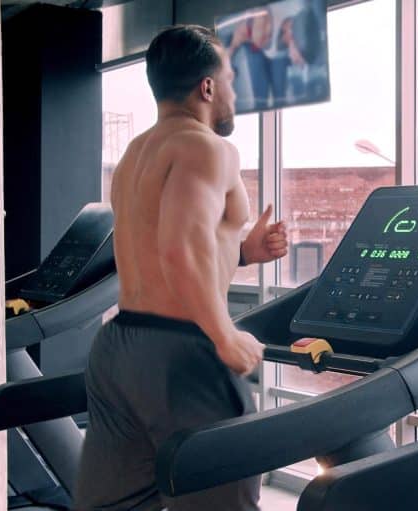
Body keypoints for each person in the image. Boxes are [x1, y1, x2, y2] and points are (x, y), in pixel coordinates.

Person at [74, 25, 288, 511]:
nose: (234, 91)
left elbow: (160, 245)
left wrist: (242, 251)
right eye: (230, 78)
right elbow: (180, 247)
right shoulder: (207, 147)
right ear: (207, 87)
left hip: (119, 347)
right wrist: (224, 336)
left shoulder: (135, 155)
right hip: (183, 354)